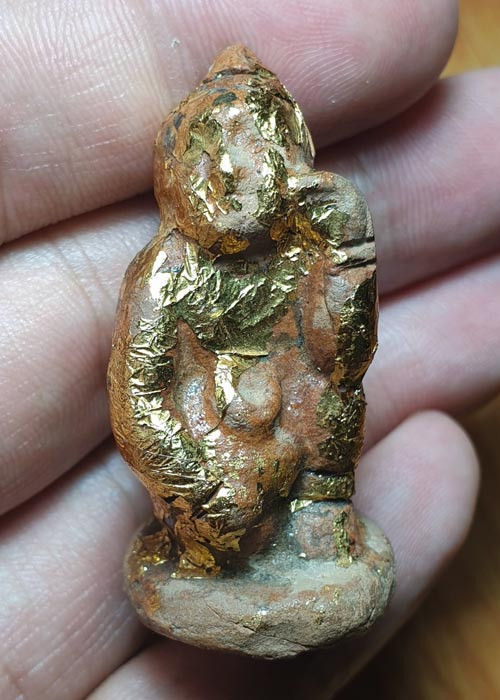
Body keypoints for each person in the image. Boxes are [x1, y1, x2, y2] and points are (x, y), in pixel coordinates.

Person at [0, 0, 498, 697]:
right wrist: (196, 481)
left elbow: (340, 359)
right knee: (232, 518)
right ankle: (206, 548)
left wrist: (349, 256)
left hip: (290, 421)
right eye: (211, 154)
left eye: (257, 149)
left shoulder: (306, 247)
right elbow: (141, 396)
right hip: (209, 442)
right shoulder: (168, 271)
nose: (234, 175)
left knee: (329, 397)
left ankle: (318, 514)